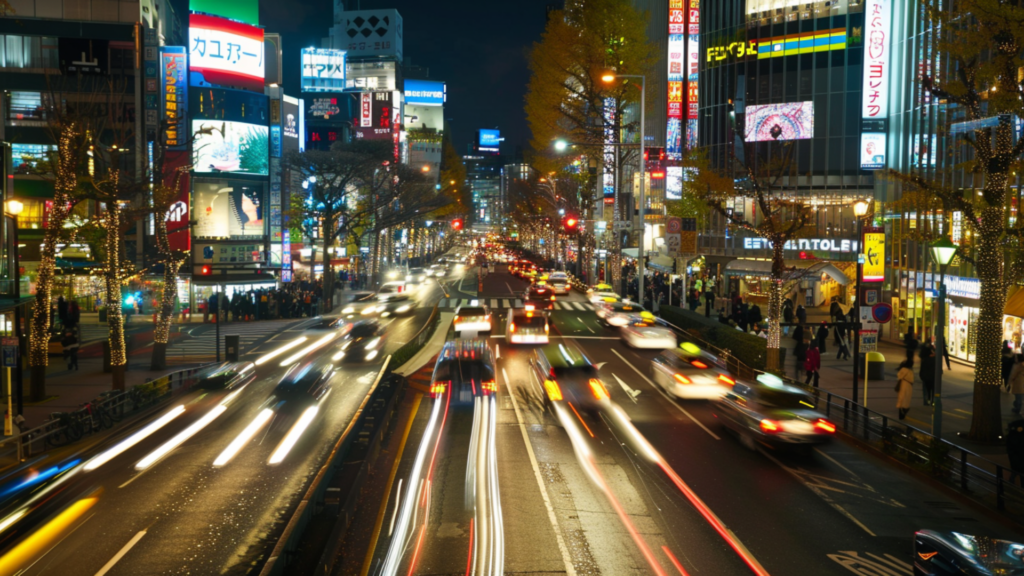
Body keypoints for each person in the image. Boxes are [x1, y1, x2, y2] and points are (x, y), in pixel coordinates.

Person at [1007, 419, 1024, 487]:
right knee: (1018, 472)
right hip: (1018, 457)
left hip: (1016, 458)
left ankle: (1011, 484)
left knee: (1015, 472)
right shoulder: (1015, 436)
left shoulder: (1012, 435)